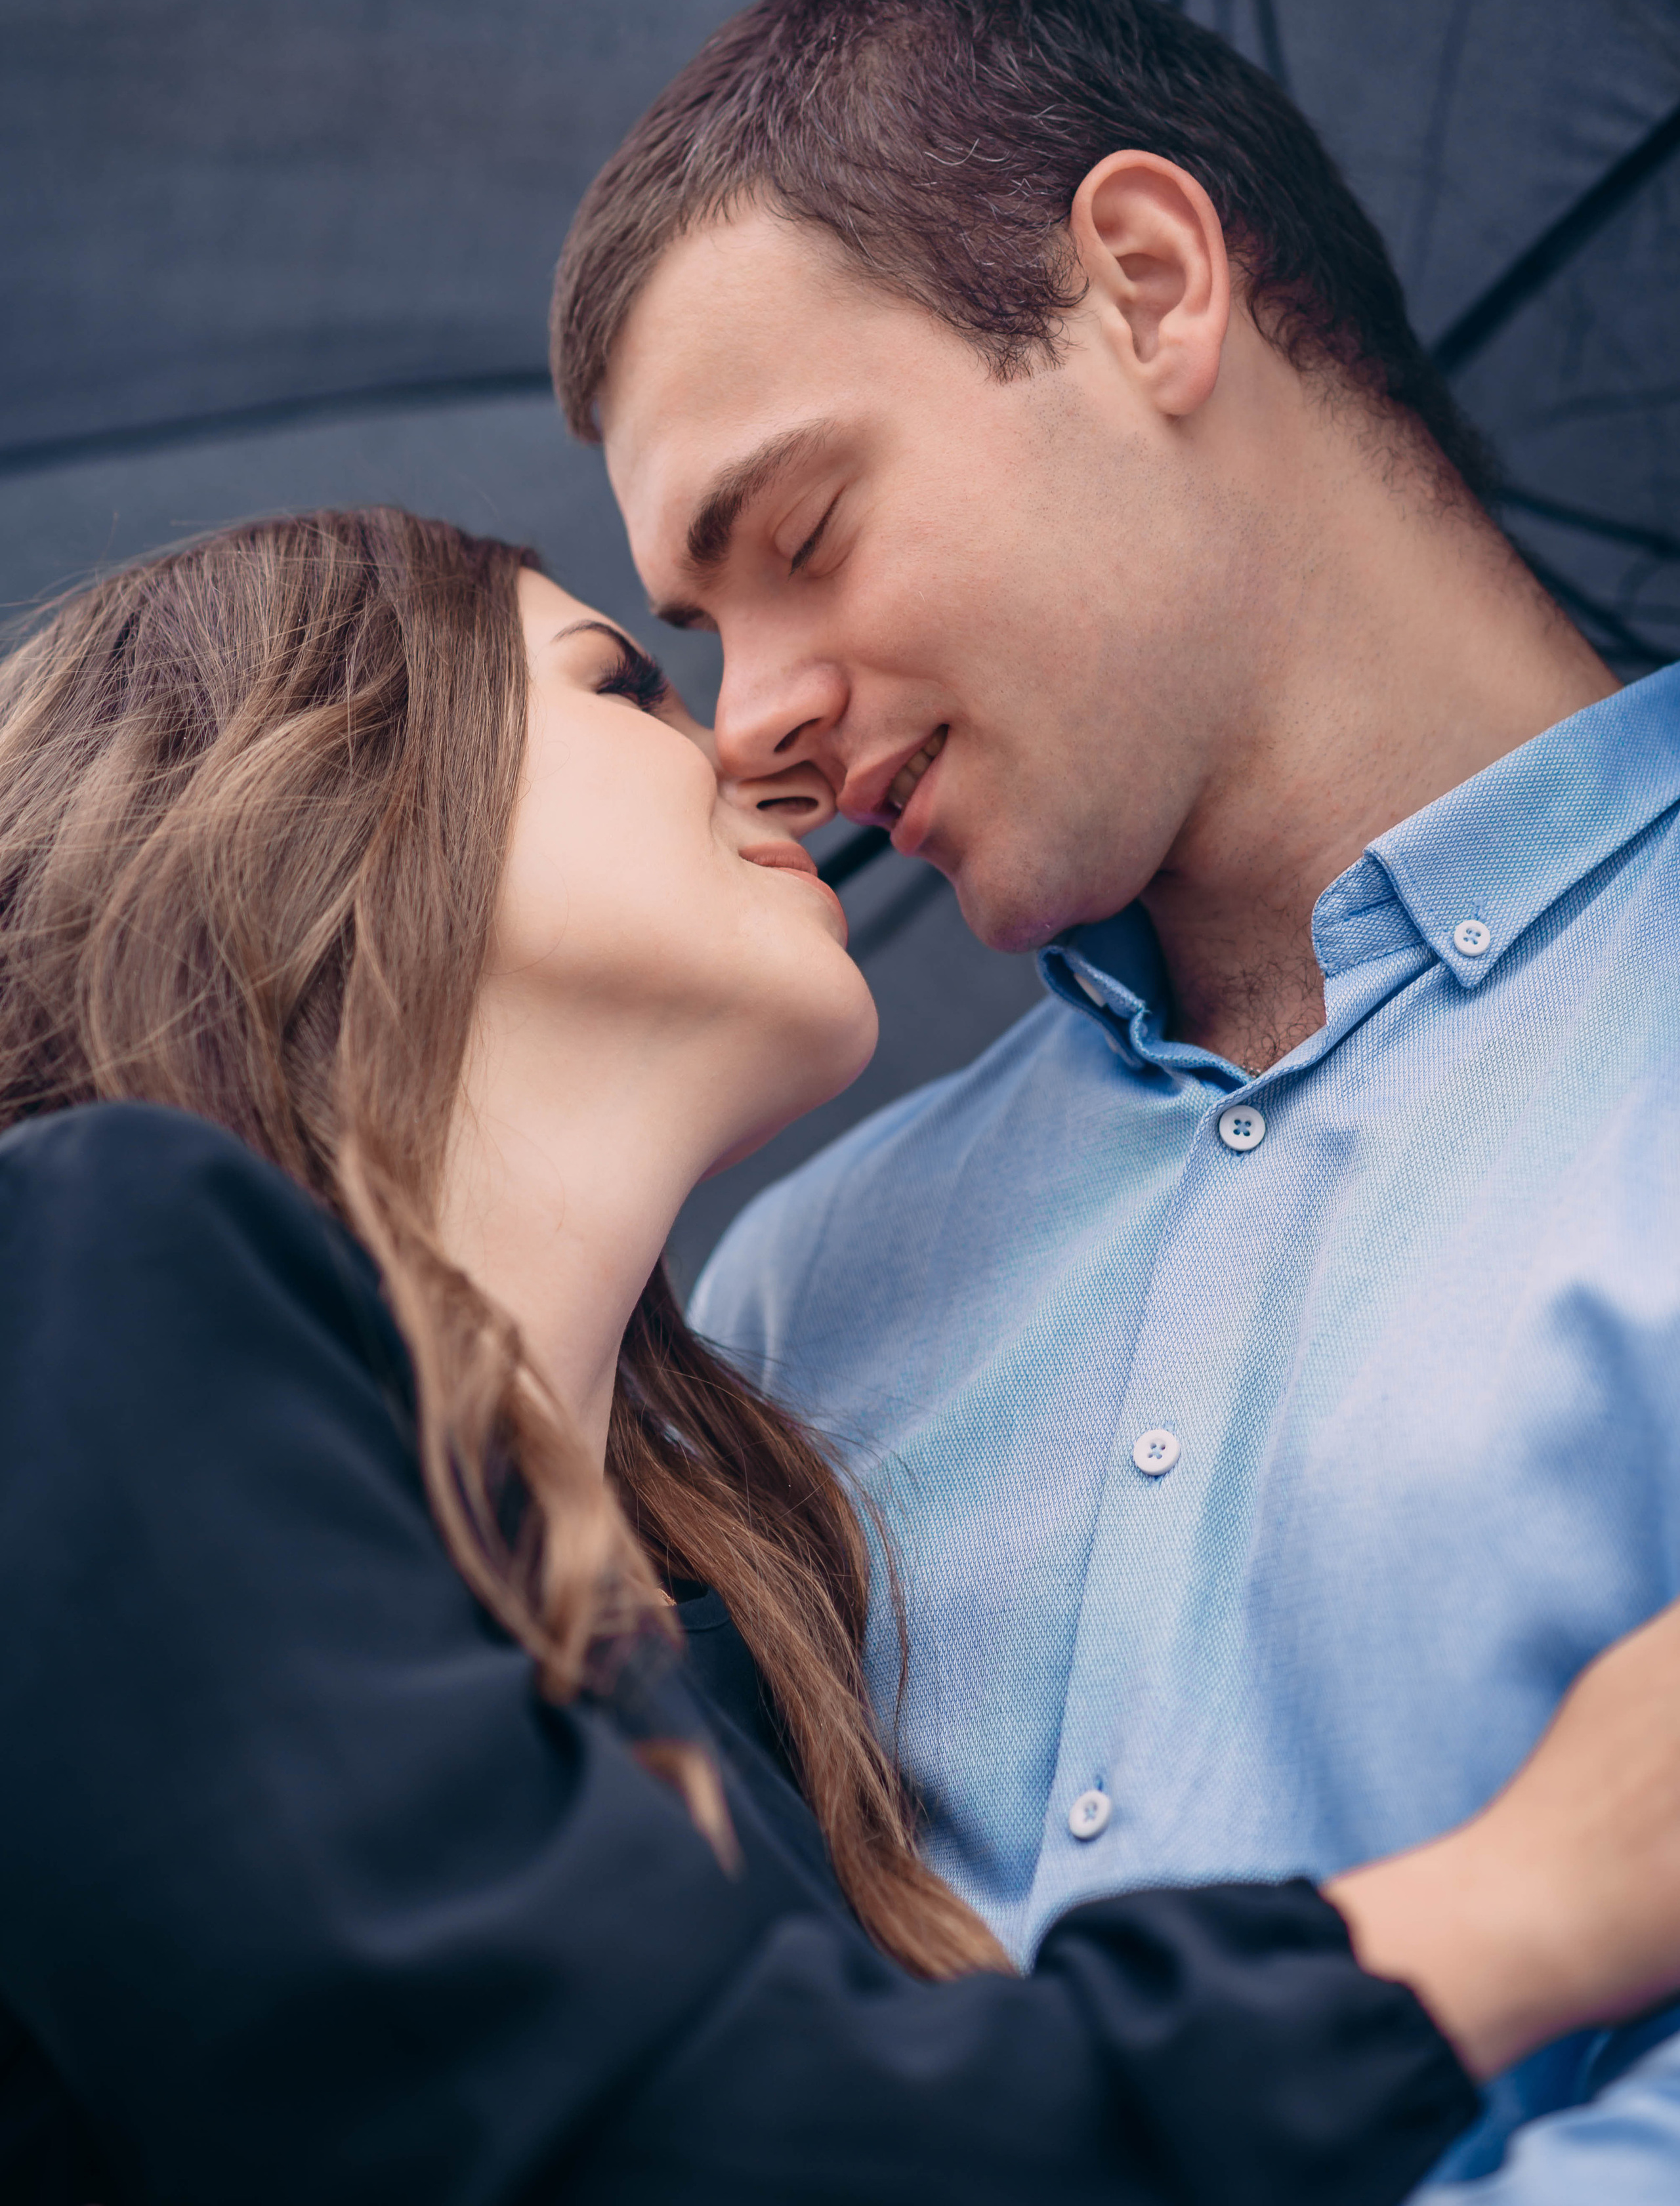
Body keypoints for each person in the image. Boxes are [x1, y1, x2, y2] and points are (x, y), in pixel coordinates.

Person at [2, 508, 1679, 2206]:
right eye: (624, 683)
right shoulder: (82, 1257)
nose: (755, 750)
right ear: (337, 795)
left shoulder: (722, 1659)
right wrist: (1523, 1899)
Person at [551, 0, 1680, 2195]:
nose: (750, 723)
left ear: (1148, 286)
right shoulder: (790, 1293)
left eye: (803, 535)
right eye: (696, 631)